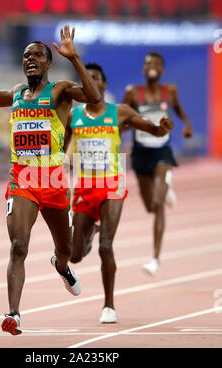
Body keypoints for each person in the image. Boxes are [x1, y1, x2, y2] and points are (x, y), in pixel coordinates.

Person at [0, 23, 102, 335]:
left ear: (48, 62)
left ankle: (61, 267)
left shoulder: (60, 90)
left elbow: (94, 96)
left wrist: (74, 59)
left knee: (67, 249)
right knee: (18, 246)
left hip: (54, 181)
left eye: (37, 55)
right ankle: (13, 315)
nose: (30, 59)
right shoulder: (18, 93)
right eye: (25, 56)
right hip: (22, 179)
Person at [63, 62, 174, 323]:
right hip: (84, 186)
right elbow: (62, 146)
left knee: (106, 246)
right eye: (85, 80)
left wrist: (162, 128)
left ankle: (109, 306)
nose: (90, 83)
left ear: (103, 85)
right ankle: (92, 231)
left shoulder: (119, 112)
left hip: (112, 183)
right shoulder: (73, 116)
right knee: (76, 255)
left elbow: (152, 129)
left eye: (95, 79)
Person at [123, 52, 193, 276]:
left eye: (156, 64)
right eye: (148, 64)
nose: (151, 66)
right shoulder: (133, 92)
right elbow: (123, 118)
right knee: (150, 207)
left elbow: (178, 108)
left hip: (162, 151)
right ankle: (167, 185)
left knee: (158, 202)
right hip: (141, 153)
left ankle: (154, 258)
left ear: (162, 70)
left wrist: (187, 124)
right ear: (144, 70)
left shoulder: (169, 91)